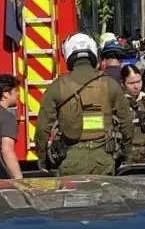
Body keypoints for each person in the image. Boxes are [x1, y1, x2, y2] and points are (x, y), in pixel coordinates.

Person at [36, 33, 133, 174]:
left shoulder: (57, 86)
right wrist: (126, 155)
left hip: (70, 162)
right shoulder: (110, 84)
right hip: (104, 161)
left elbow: (42, 129)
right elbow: (127, 124)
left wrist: (42, 159)